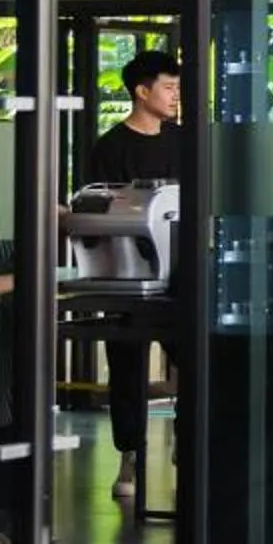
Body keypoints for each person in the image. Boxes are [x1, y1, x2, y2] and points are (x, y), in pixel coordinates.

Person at [87, 50, 185, 503]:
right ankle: (130, 456)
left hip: (182, 272)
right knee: (126, 364)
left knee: (193, 358)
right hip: (126, 271)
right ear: (141, 91)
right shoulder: (110, 147)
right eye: (167, 87)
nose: (175, 96)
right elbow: (94, 206)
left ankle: (190, 444)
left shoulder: (185, 141)